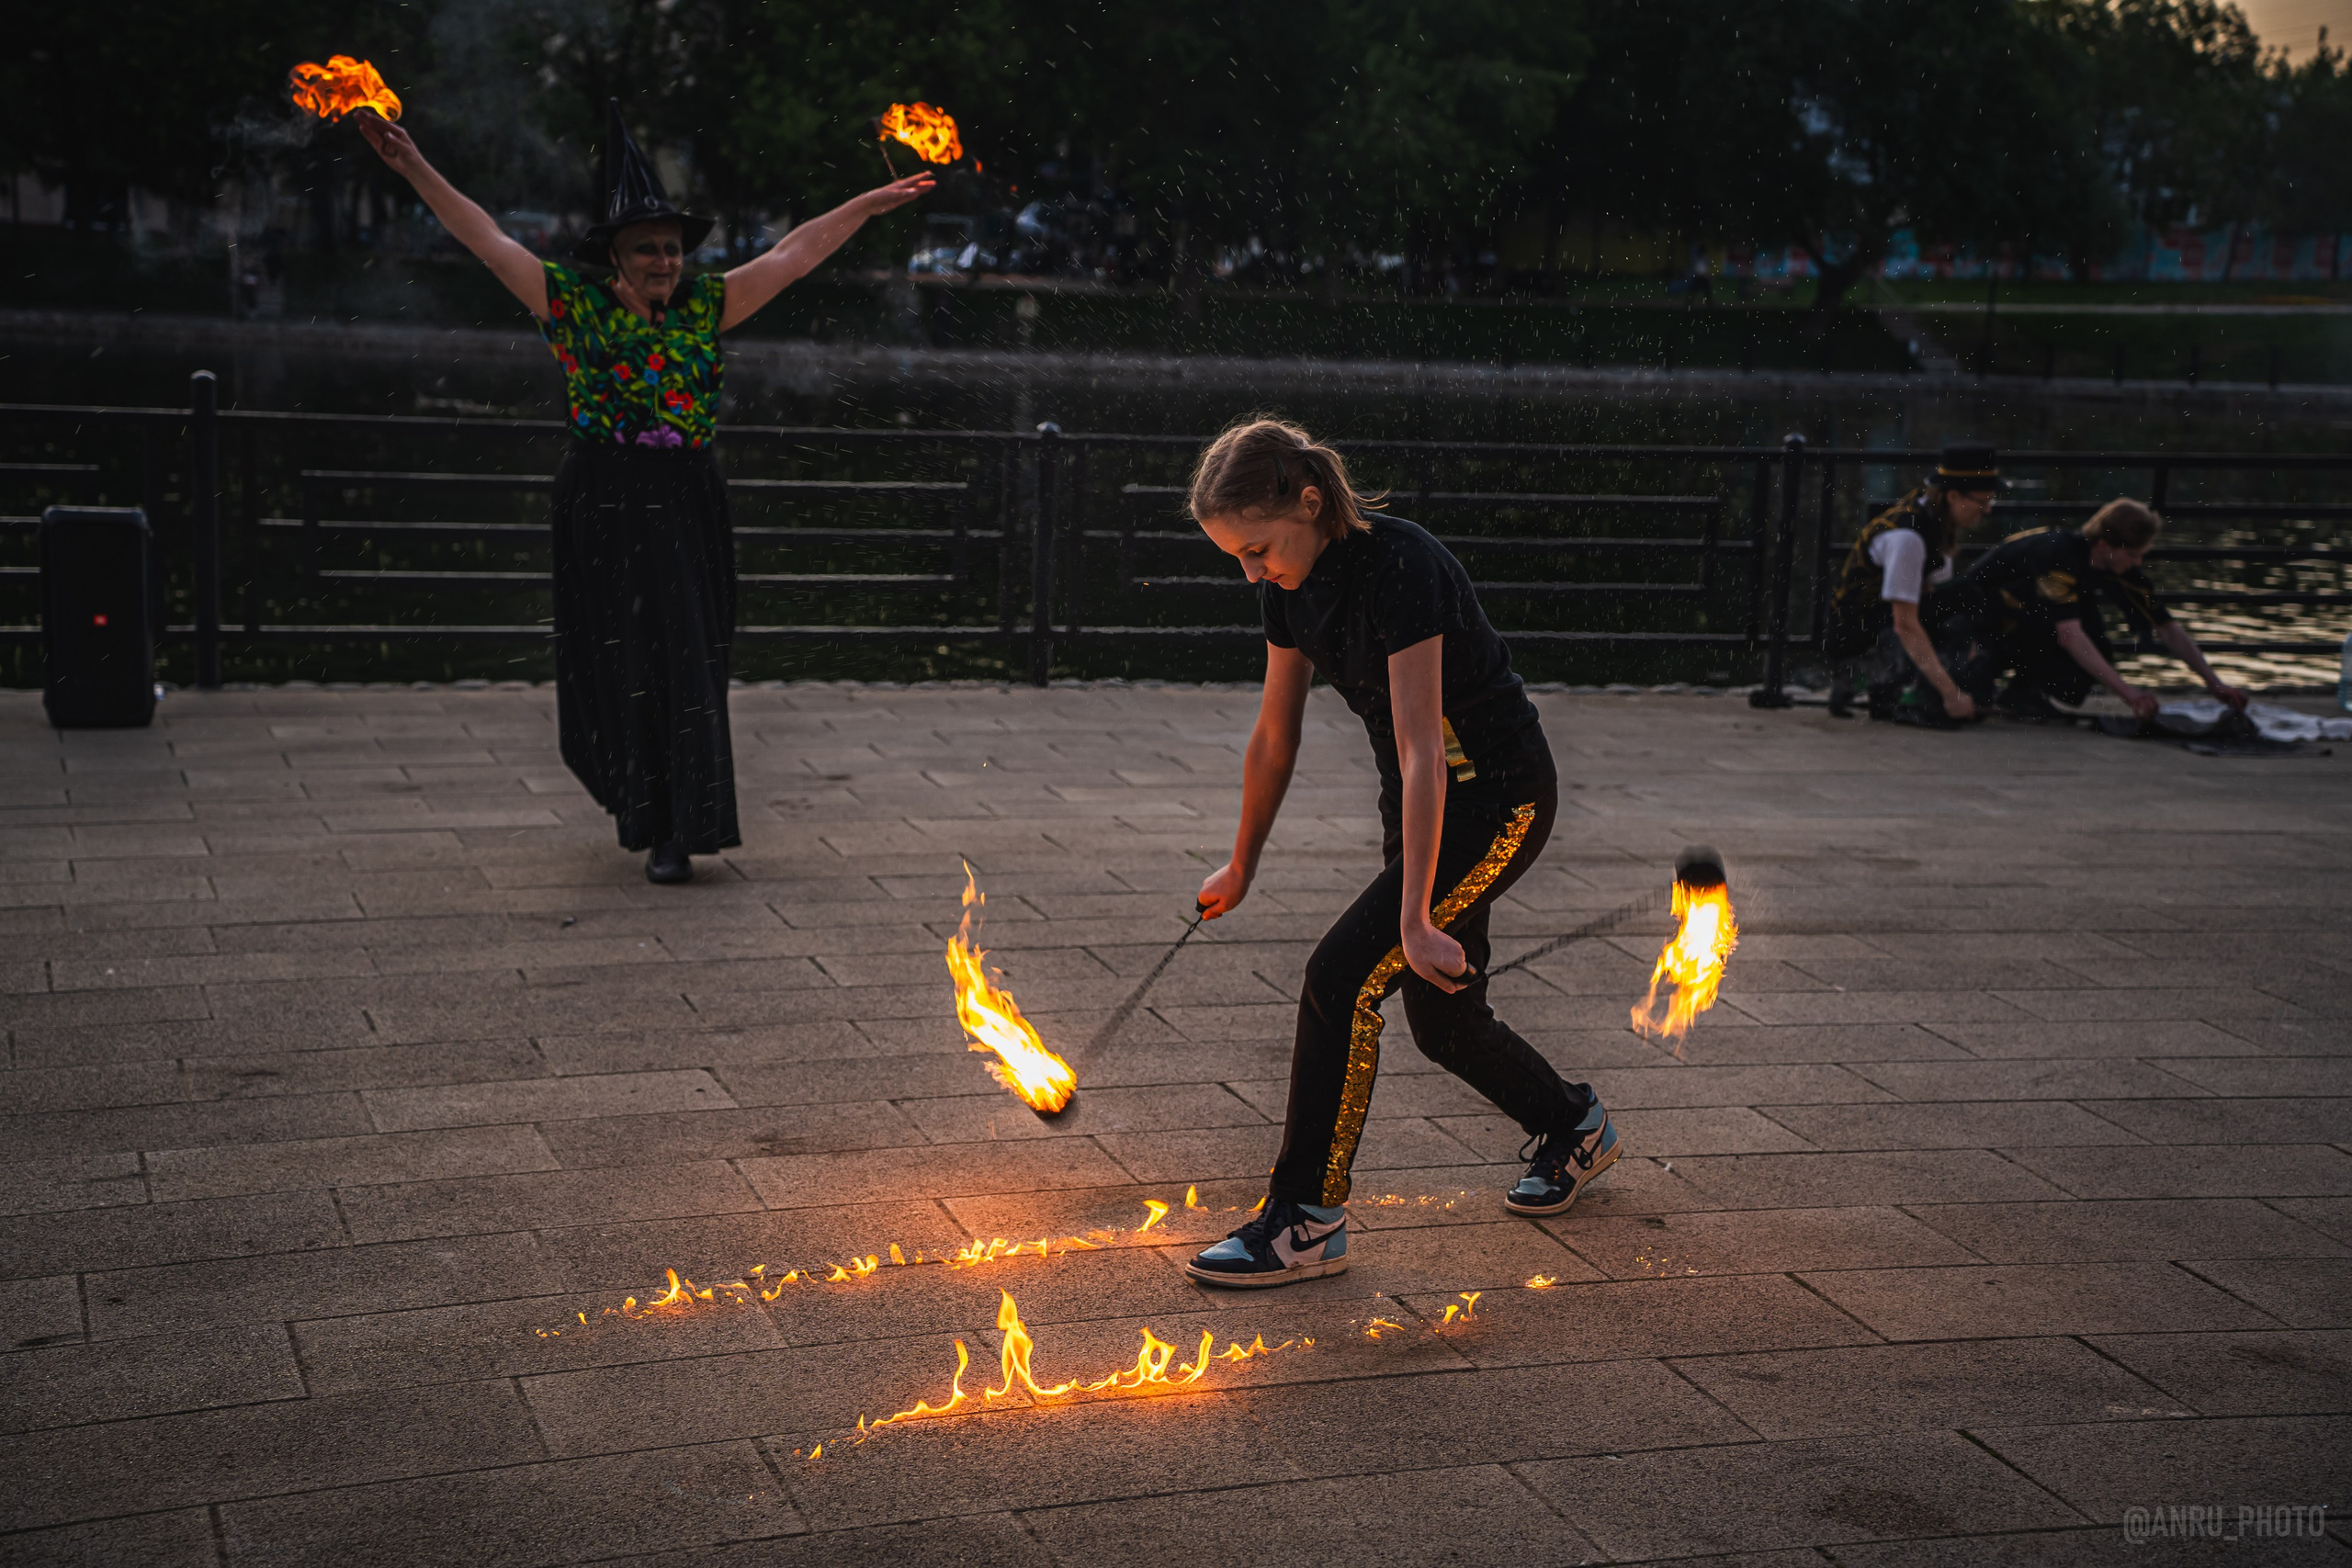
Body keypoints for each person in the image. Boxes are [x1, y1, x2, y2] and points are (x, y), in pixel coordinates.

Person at [357, 103, 931, 883]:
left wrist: (867, 202)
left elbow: (796, 255)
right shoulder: (575, 307)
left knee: (688, 660)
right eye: (647, 251)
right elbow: (487, 240)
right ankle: (650, 815)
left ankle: (683, 826)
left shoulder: (706, 305)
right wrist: (413, 166)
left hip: (688, 498)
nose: (665, 262)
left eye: (671, 249)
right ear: (617, 260)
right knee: (624, 659)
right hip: (604, 498)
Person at [1179, 418, 1617, 1290]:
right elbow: (1275, 736)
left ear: (1311, 502)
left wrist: (1414, 916)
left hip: (1497, 798)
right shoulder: (1286, 586)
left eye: (1259, 547)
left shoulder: (1400, 565)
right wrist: (1242, 864)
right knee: (1444, 1020)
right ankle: (1574, 1126)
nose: (1252, 570)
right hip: (1420, 807)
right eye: (1236, 556)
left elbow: (1425, 746)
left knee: (1340, 977)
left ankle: (1305, 1217)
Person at [1944, 498, 2250, 720]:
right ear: (2104, 545)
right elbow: (2069, 636)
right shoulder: (2059, 556)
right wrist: (2128, 694)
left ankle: (2023, 693)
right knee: (2070, 631)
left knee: (2097, 644)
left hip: (2026, 616)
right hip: (1981, 617)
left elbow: (2167, 628)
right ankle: (1991, 678)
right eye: (2131, 554)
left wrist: (2215, 683)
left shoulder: (2120, 567)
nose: (2136, 563)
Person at [1822, 444, 2005, 723]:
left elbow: (1927, 599)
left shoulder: (1933, 521)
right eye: (1981, 501)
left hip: (1877, 624)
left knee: (1969, 595)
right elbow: (1904, 624)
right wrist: (1951, 694)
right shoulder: (1909, 539)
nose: (1987, 510)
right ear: (1953, 496)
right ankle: (1900, 694)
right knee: (1962, 603)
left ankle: (1915, 689)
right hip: (1857, 637)